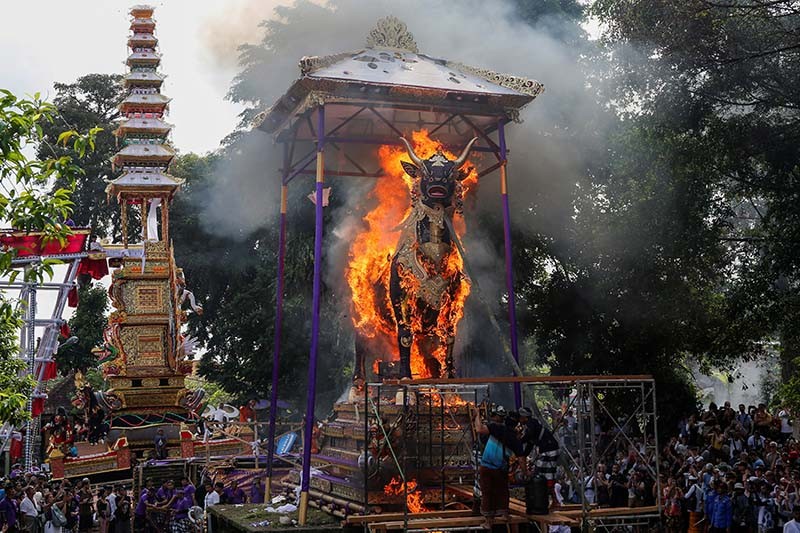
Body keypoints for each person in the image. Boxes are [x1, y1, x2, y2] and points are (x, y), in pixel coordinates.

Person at [473, 405, 524, 529]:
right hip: (500, 468)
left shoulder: (497, 428)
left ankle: (488, 521)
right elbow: (521, 458)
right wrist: (525, 472)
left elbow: (479, 429)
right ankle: (505, 514)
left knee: (487, 493)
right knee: (502, 491)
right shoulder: (515, 438)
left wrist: (477, 414)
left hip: (487, 466)